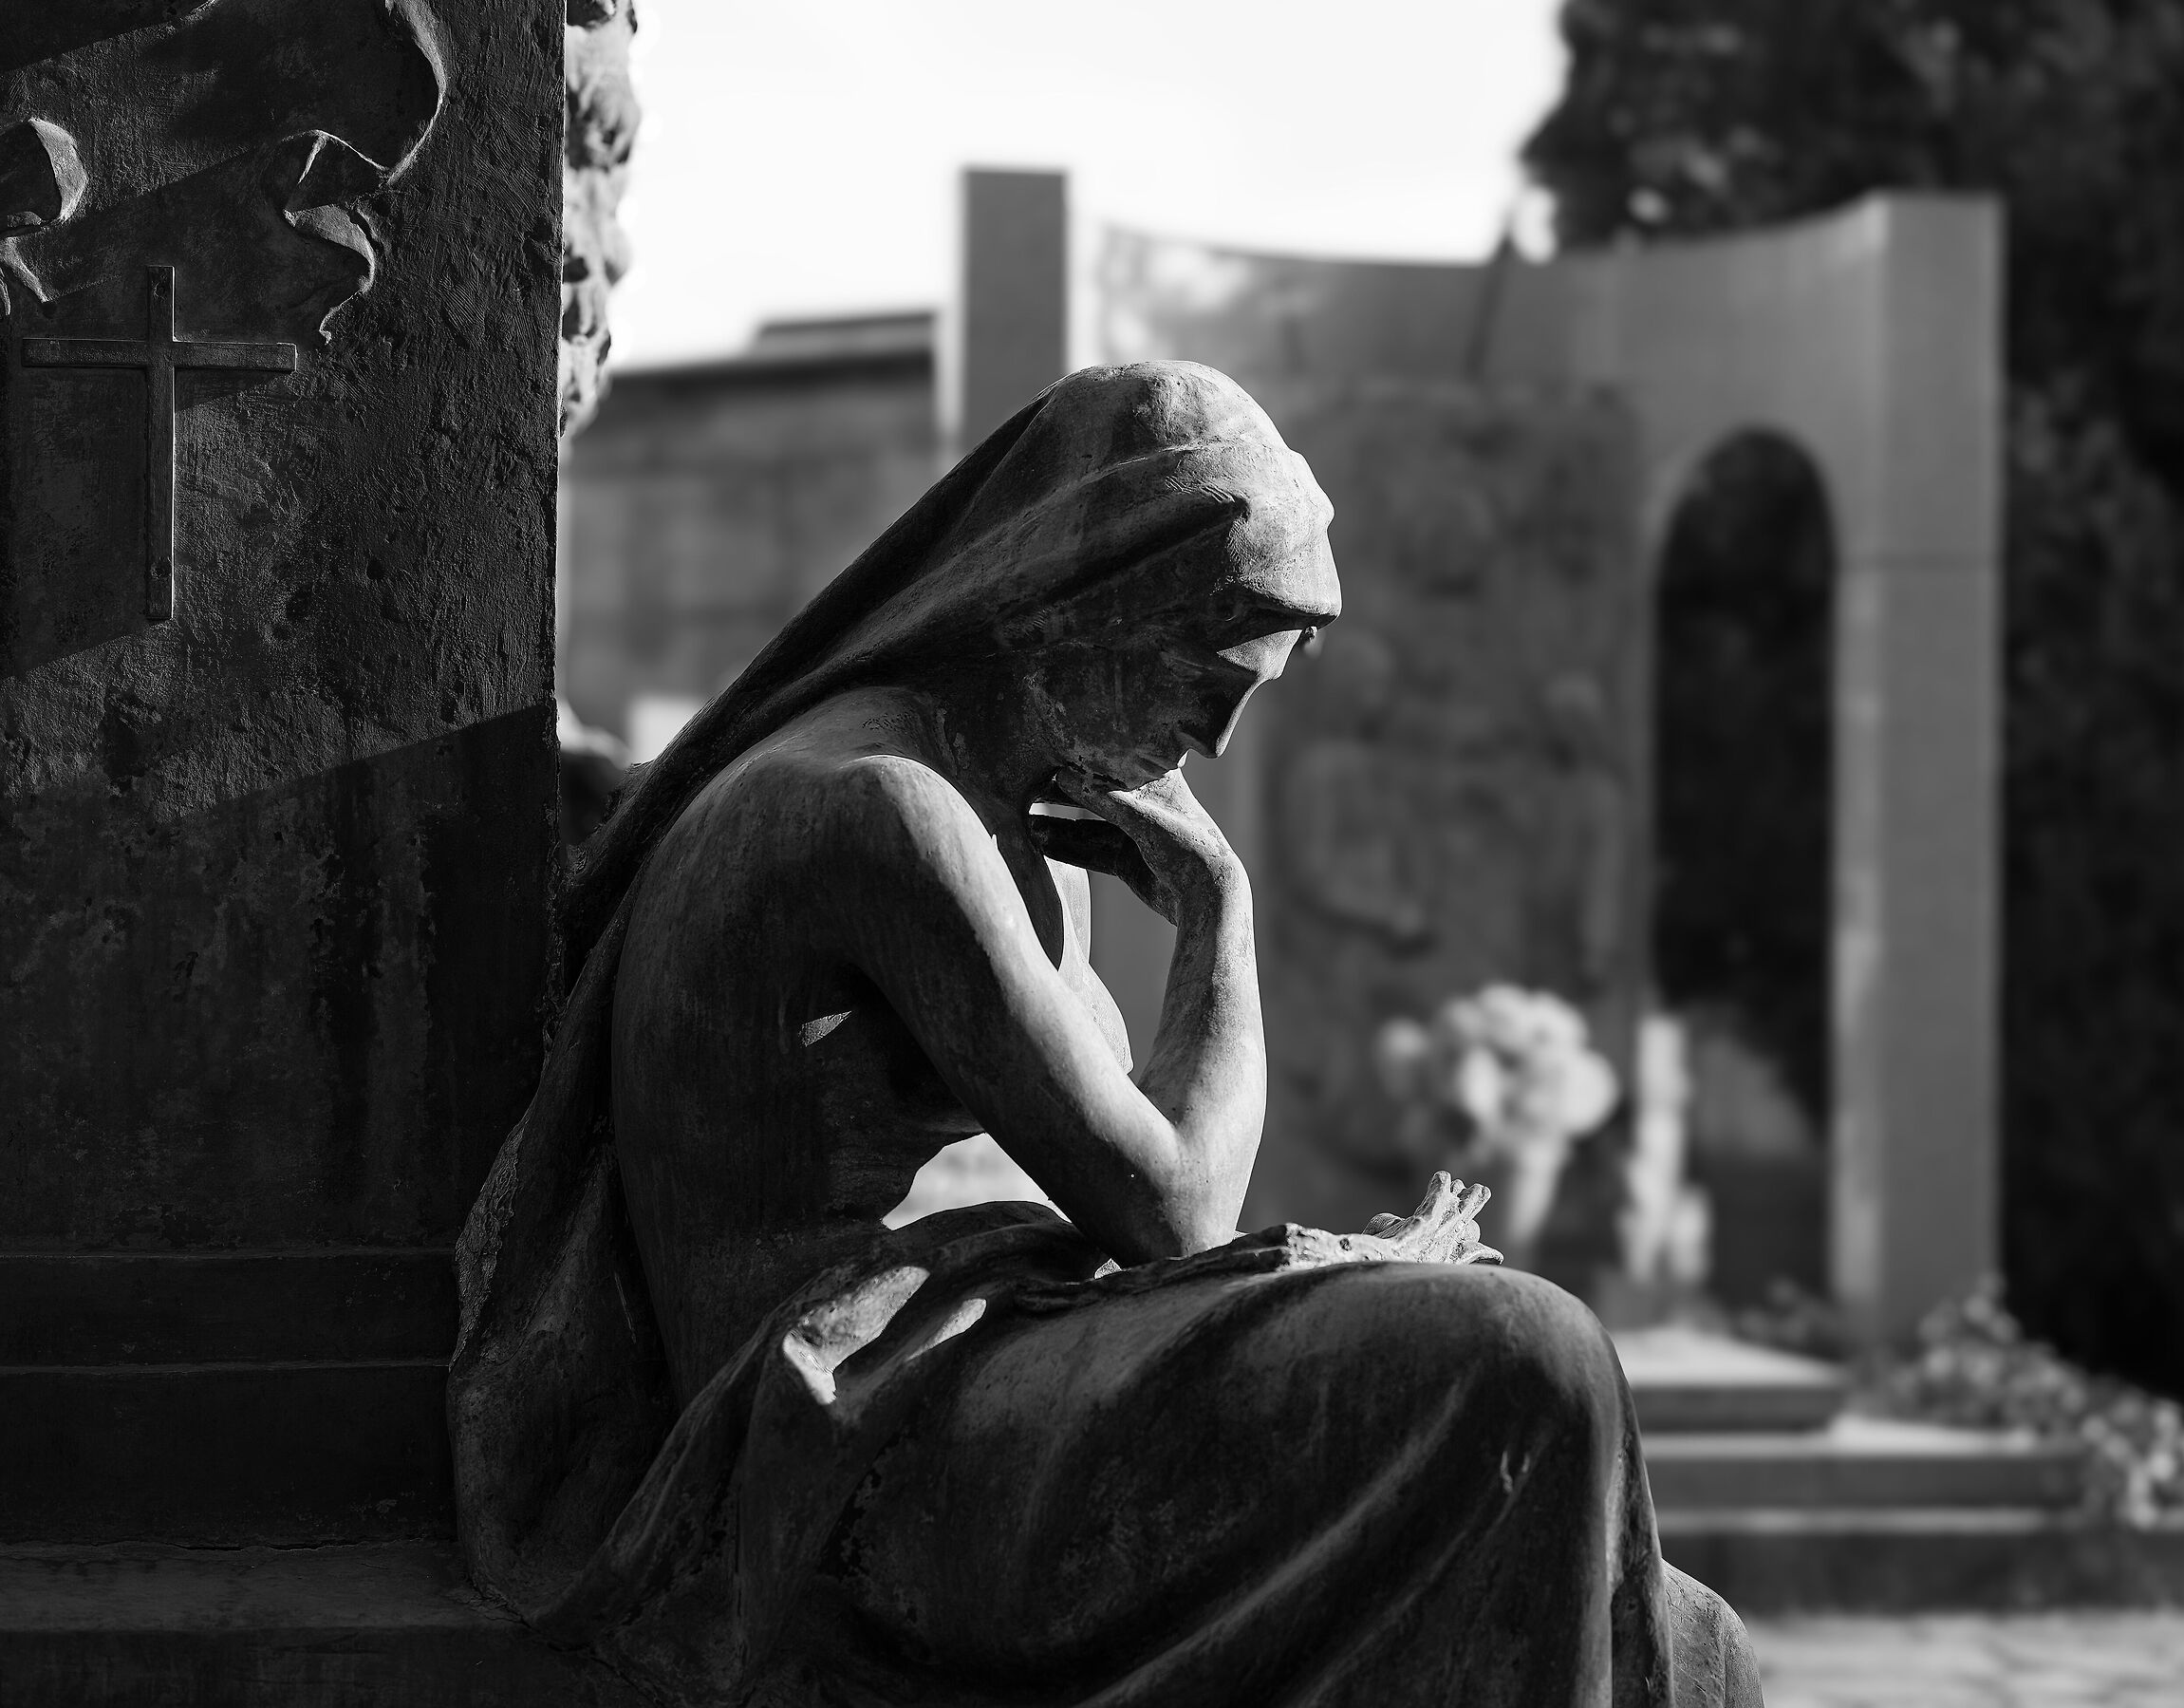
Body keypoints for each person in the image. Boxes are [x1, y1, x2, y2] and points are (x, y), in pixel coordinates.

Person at [450, 361, 1761, 1707]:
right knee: (1528, 1359)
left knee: (1684, 1639)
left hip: (982, 1353)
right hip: (847, 1438)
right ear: (1094, 596)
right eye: (1208, 677)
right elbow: (1179, 1212)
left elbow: (1163, 1196)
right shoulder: (880, 808)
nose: (1221, 740)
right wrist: (1218, 913)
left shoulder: (993, 811)